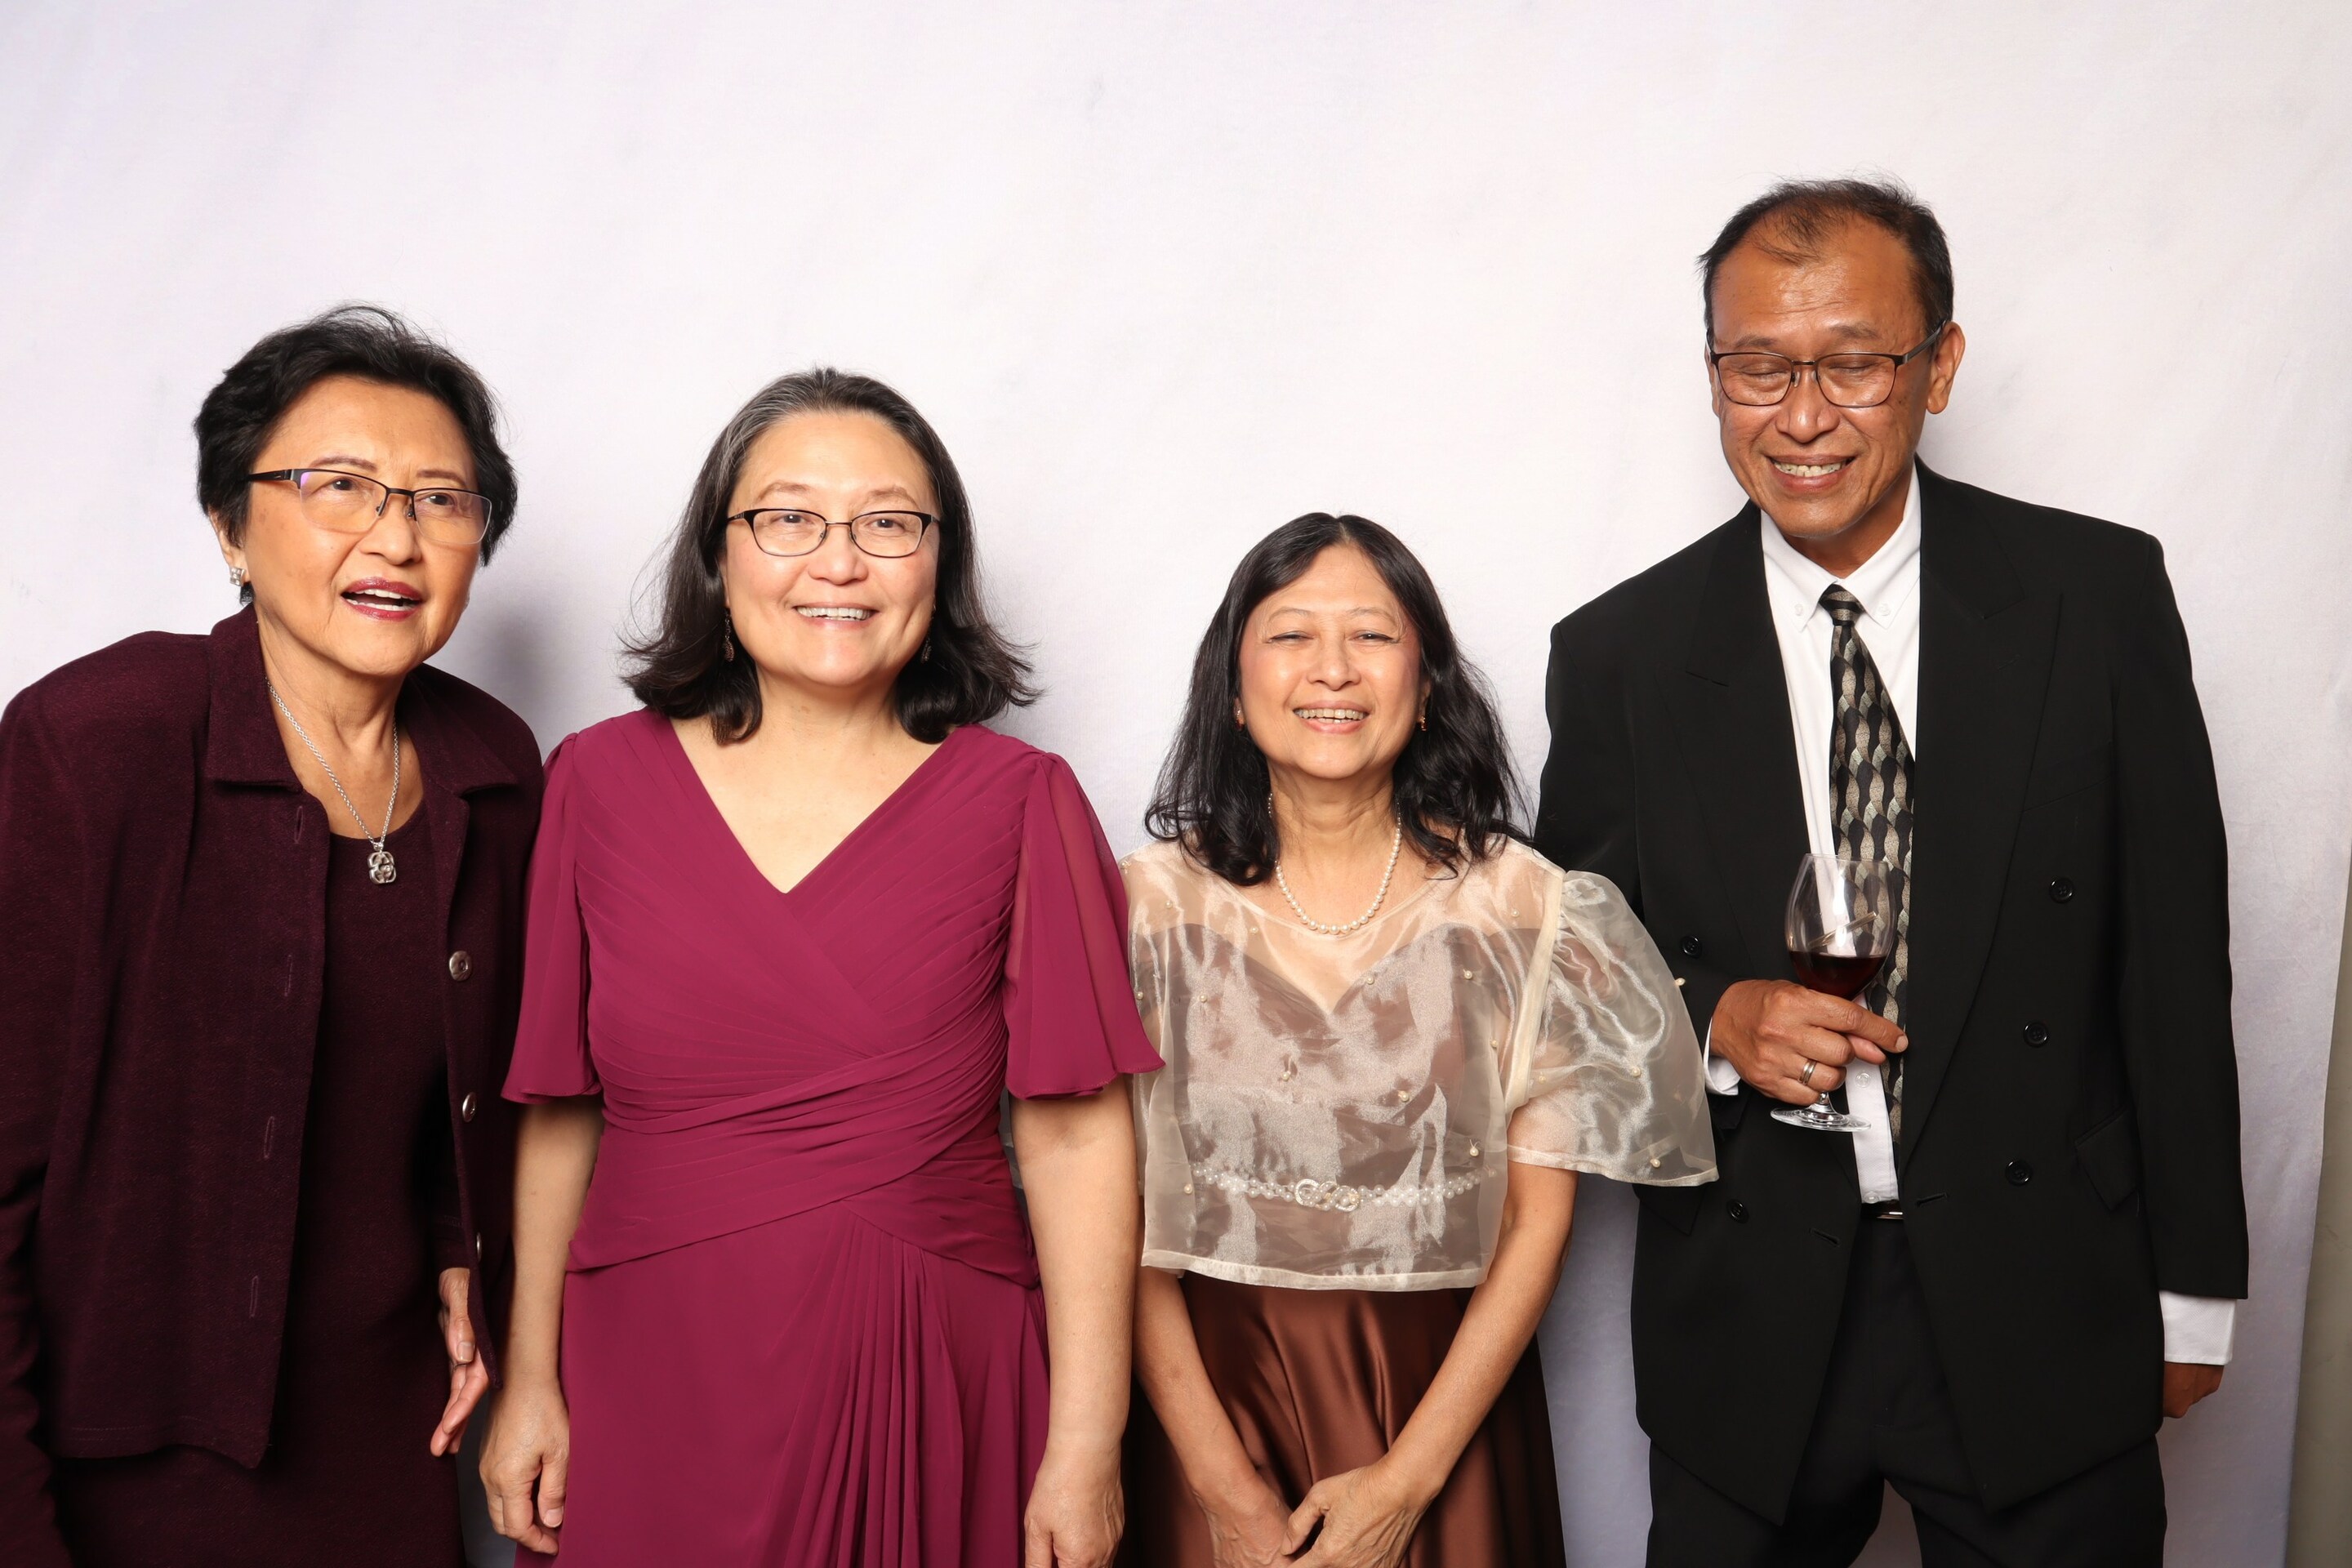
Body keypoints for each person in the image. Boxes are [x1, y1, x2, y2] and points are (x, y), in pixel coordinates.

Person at [1536, 178, 2248, 1566]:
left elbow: (2175, 962)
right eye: (1760, 367)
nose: (1803, 417)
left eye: (1854, 363)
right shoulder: (1621, 651)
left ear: (1939, 366)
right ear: (1714, 376)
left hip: (2042, 1287)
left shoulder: (2094, 598)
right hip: (1751, 1305)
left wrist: (2196, 1295)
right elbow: (1570, 971)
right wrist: (1714, 1018)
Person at [478, 368, 1161, 1567]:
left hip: (930, 1357)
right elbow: (558, 1111)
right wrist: (530, 1377)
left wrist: (1087, 1438)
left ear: (939, 564)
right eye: (789, 518)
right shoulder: (595, 782)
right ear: (719, 554)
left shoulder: (1023, 802)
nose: (838, 563)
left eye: (889, 524)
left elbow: (1075, 1137)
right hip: (648, 1366)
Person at [0, 305, 541, 1568]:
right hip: (121, 1461)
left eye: (441, 500)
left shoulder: (493, 765)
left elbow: (470, 1086)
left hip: (388, 1442)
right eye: (338, 486)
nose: (395, 537)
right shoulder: (97, 744)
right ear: (229, 525)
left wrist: (462, 1248)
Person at [1120, 514, 1714, 1568]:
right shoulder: (1143, 910)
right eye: (1291, 634)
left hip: (1445, 1412)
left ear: (1428, 680)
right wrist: (1220, 1486)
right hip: (1207, 1408)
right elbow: (1107, 1221)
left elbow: (1535, 1221)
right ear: (1233, 687)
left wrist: (1410, 1480)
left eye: (1372, 635)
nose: (1333, 669)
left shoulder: (1525, 908)